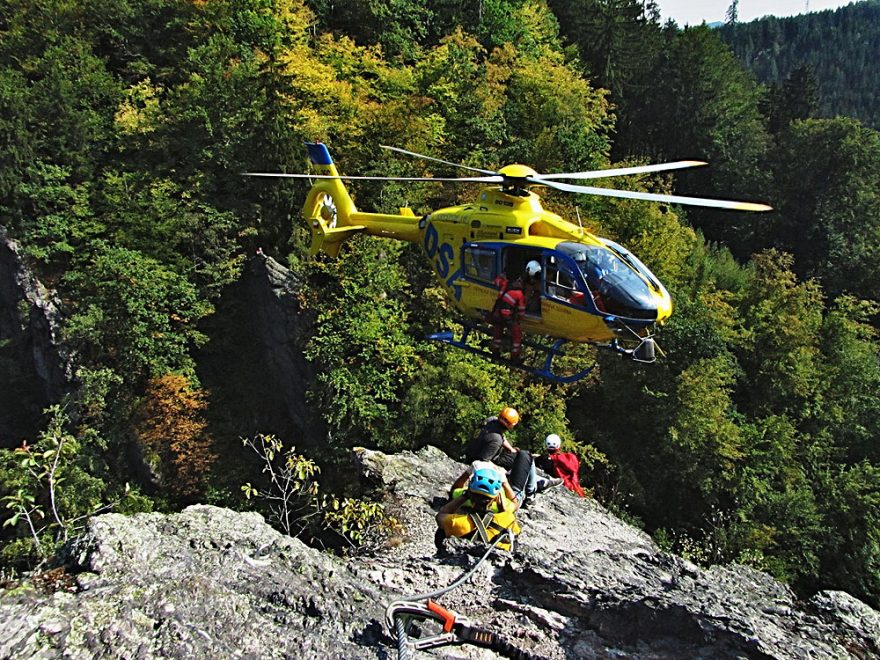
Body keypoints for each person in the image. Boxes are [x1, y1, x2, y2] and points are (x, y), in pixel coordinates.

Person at [461, 407, 561, 504]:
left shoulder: (491, 420)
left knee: (521, 456)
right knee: (526, 456)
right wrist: (501, 472)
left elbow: (501, 437)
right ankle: (533, 492)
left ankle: (541, 480)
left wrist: (511, 449)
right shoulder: (496, 441)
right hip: (486, 460)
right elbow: (482, 462)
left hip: (473, 452)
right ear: (511, 425)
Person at [435, 466, 521, 554]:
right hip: (498, 559)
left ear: (470, 493)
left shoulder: (455, 522)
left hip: (461, 554)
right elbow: (515, 504)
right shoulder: (508, 519)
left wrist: (465, 495)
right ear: (496, 498)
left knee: (441, 531)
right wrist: (504, 483)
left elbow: (440, 515)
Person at [489, 260, 542, 362]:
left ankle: (495, 351)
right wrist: (519, 319)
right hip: (507, 316)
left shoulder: (505, 283)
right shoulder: (519, 294)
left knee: (498, 331)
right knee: (517, 334)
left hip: (497, 312)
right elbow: (521, 311)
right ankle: (514, 357)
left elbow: (496, 282)